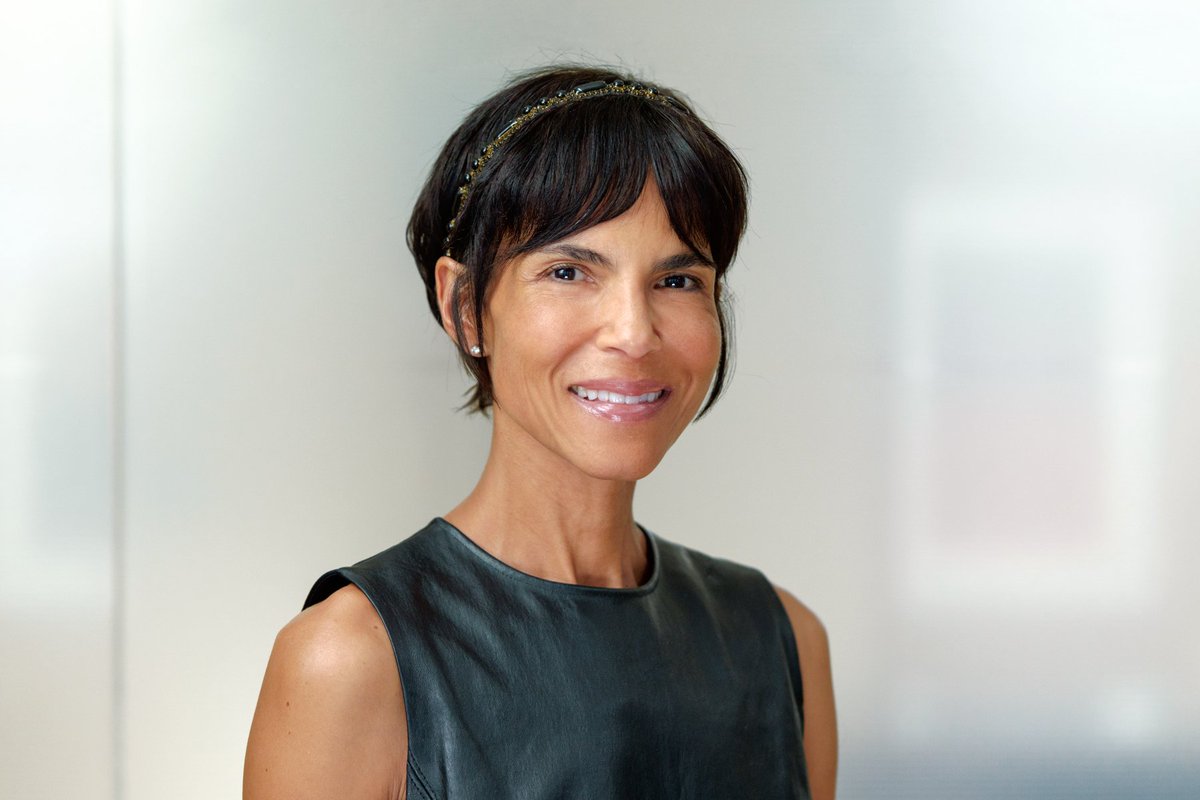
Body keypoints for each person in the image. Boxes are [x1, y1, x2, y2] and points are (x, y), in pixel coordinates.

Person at [244, 65, 837, 800]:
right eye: (568, 271)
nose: (633, 332)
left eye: (678, 280)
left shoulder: (782, 641)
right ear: (464, 307)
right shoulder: (354, 661)